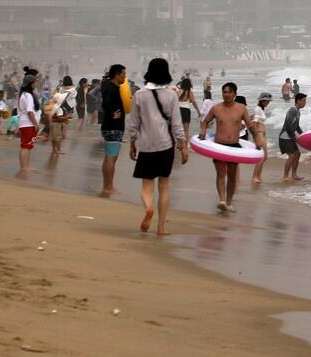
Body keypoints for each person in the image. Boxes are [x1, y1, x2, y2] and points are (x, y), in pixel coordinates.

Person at [126, 58, 188, 236]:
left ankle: (148, 208)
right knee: (164, 186)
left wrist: (132, 143)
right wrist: (183, 146)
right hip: (165, 146)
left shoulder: (139, 95)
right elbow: (177, 125)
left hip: (146, 146)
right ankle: (161, 227)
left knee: (147, 185)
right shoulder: (171, 95)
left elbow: (134, 123)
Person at [198, 82, 249, 212]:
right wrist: (203, 130)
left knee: (232, 176)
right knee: (221, 173)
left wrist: (258, 138)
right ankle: (222, 200)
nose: (226, 94)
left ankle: (229, 202)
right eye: (224, 92)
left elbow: (250, 125)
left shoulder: (241, 108)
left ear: (234, 94)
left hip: (234, 146)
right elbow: (205, 122)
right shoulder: (216, 108)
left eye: (229, 92)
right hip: (219, 146)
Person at [99, 64, 131, 196]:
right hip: (114, 127)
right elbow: (105, 103)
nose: (125, 76)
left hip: (109, 126)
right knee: (112, 158)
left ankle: (107, 186)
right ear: (117, 74)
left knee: (108, 157)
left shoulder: (109, 86)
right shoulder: (112, 88)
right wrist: (113, 113)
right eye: (123, 73)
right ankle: (108, 187)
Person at [16, 69, 41, 177]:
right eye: (35, 82)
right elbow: (30, 112)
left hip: (24, 123)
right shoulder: (28, 96)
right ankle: (24, 167)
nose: (36, 84)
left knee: (26, 146)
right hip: (28, 124)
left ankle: (25, 166)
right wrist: (36, 124)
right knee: (26, 146)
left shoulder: (23, 94)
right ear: (31, 83)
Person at [279, 93, 307, 183]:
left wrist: (304, 136)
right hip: (285, 137)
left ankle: (294, 175)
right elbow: (288, 124)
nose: (305, 103)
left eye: (305, 100)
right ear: (298, 101)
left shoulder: (298, 111)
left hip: (289, 137)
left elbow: (297, 126)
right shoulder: (292, 110)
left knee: (297, 154)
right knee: (291, 156)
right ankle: (285, 176)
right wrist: (294, 137)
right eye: (303, 100)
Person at [48, 76, 75, 155]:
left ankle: (54, 149)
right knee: (62, 127)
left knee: (54, 132)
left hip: (56, 110)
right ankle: (59, 149)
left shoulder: (59, 88)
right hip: (64, 110)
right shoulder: (72, 90)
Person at [250, 94, 272, 185]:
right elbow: (254, 122)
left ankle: (258, 176)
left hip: (261, 133)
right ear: (263, 101)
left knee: (264, 157)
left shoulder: (260, 109)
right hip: (259, 133)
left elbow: (254, 118)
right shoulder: (258, 109)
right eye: (267, 101)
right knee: (262, 157)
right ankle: (255, 176)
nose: (268, 103)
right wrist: (255, 137)